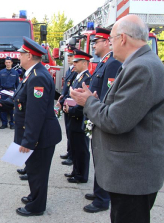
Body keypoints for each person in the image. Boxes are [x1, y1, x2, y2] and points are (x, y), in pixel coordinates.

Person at [70, 15, 164, 223]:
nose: (110, 44)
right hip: (130, 175)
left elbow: (116, 121)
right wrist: (97, 103)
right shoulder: (140, 63)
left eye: (112, 39)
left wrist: (89, 103)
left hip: (133, 177)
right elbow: (124, 110)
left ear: (123, 38)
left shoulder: (142, 67)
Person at [13, 36, 62, 216]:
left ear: (29, 56)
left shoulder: (37, 78)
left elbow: (35, 114)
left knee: (38, 173)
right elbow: (23, 103)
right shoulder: (33, 74)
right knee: (34, 171)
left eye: (21, 53)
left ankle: (36, 207)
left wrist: (28, 142)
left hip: (41, 136)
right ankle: (35, 196)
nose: (18, 56)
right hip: (38, 135)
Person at [83, 27, 122, 214]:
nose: (93, 45)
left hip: (101, 115)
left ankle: (102, 199)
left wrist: (98, 113)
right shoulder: (103, 62)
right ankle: (99, 191)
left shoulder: (112, 63)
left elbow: (108, 95)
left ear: (107, 42)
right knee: (98, 158)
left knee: (103, 159)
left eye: (96, 42)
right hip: (96, 113)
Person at [63, 49, 92, 184]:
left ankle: (82, 175)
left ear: (84, 63)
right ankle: (76, 171)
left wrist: (72, 110)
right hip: (72, 117)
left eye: (76, 62)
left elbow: (85, 102)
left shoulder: (87, 79)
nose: (73, 64)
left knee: (81, 148)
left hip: (80, 118)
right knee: (75, 146)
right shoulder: (78, 76)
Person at [58, 46, 78, 167]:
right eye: (68, 56)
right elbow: (66, 87)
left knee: (72, 130)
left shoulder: (75, 71)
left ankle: (72, 155)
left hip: (70, 104)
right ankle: (69, 151)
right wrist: (62, 97)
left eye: (71, 56)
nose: (69, 58)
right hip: (66, 102)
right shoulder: (69, 70)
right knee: (68, 129)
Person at [0, 56, 19, 129]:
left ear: (12, 63)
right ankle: (4, 123)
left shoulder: (15, 73)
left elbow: (18, 85)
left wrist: (17, 94)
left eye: (9, 62)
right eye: (6, 62)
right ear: (5, 63)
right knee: (2, 109)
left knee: (12, 109)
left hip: (12, 92)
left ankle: (12, 123)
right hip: (3, 92)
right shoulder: (1, 72)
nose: (8, 64)